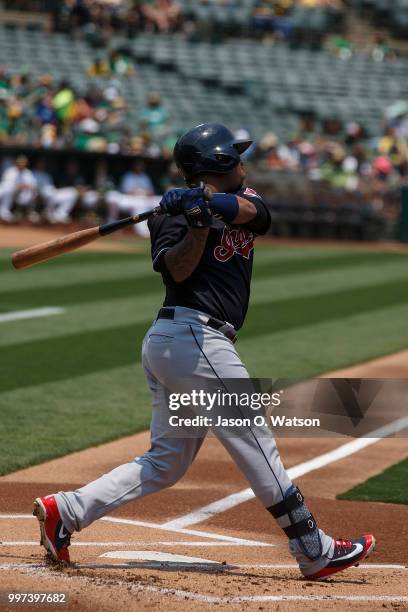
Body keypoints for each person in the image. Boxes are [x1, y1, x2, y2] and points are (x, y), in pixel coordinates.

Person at [33, 123, 375, 580]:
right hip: (192, 340)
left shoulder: (240, 199)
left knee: (167, 462)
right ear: (214, 163)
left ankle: (67, 511)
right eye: (233, 157)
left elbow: (257, 214)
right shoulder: (168, 215)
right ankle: (313, 549)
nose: (242, 162)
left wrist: (206, 203)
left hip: (188, 345)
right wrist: (193, 223)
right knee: (256, 439)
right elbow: (176, 271)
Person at [0, 155, 37, 222]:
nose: (21, 164)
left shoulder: (28, 173)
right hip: (10, 192)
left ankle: (29, 213)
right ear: (16, 162)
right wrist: (22, 186)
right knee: (7, 188)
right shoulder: (10, 171)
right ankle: (4, 211)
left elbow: (33, 185)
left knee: (33, 192)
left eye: (23, 162)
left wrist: (24, 187)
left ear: (26, 163)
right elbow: (9, 184)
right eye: (20, 162)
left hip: (22, 195)